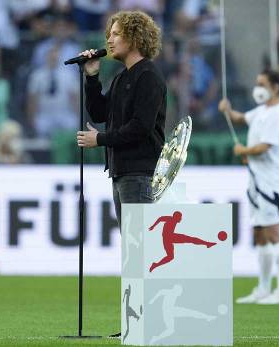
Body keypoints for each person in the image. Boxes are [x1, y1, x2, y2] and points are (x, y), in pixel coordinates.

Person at [76, 10, 166, 338]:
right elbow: (101, 112)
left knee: (139, 251)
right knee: (133, 251)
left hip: (140, 172)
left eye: (115, 33)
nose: (109, 39)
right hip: (122, 172)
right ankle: (137, 323)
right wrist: (90, 76)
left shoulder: (148, 77)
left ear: (134, 36)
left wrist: (99, 140)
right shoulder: (123, 77)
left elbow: (140, 129)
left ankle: (146, 323)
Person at [219, 65, 279, 305]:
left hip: (271, 181)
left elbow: (265, 146)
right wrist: (228, 110)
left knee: (275, 233)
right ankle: (263, 287)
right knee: (260, 234)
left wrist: (244, 150)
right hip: (256, 179)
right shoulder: (262, 110)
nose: (257, 89)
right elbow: (241, 119)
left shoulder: (278, 113)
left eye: (262, 85)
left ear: (275, 87)